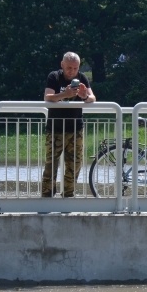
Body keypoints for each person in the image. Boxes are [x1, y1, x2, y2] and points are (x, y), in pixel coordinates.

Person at [42, 52, 96, 198]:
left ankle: (68, 194)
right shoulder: (54, 76)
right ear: (62, 65)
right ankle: (47, 195)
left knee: (75, 163)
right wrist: (64, 95)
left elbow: (92, 98)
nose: (72, 71)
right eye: (69, 68)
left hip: (76, 128)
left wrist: (85, 96)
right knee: (51, 163)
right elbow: (47, 97)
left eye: (75, 68)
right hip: (55, 128)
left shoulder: (82, 78)